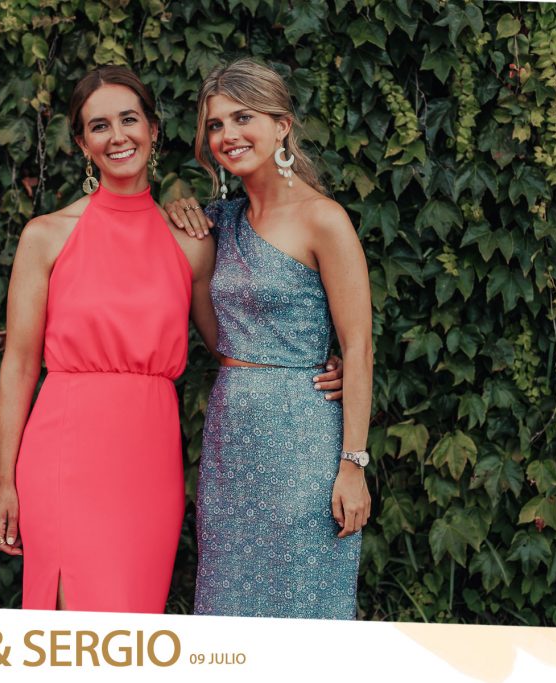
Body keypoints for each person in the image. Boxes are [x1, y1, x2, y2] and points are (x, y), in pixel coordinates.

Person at [0, 65, 344, 613]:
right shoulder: (46, 236)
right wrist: (5, 482)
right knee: (68, 635)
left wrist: (309, 368)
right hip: (61, 456)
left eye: (129, 119)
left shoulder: (192, 240)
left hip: (150, 462)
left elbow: (233, 345)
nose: (117, 136)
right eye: (99, 126)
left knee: (132, 626)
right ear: (83, 144)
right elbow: (18, 365)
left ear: (154, 129)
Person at [165, 58, 374, 619]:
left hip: (305, 436)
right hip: (232, 437)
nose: (228, 135)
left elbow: (358, 347)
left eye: (243, 117)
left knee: (307, 607)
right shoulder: (219, 222)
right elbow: (220, 340)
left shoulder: (323, 219)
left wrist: (353, 464)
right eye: (215, 125)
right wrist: (175, 215)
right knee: (227, 608)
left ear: (282, 124)